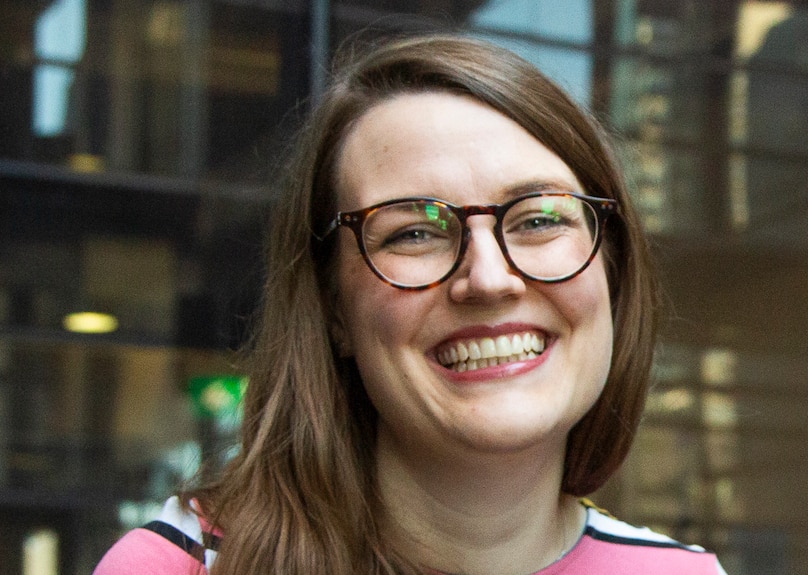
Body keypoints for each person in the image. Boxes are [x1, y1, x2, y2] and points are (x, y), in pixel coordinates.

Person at [94, 34, 727, 575]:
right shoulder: (187, 565)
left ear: (610, 271)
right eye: (414, 233)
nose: (489, 279)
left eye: (537, 220)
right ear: (334, 309)